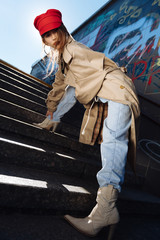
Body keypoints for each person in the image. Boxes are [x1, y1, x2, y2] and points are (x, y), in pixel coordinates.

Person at [33, 9, 140, 239]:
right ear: (43, 40)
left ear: (62, 30)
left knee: (112, 143)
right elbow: (60, 84)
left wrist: (53, 117)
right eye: (47, 36)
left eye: (55, 32)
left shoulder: (73, 51)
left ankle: (105, 210)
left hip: (116, 90)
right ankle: (106, 210)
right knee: (111, 142)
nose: (53, 39)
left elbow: (70, 91)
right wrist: (51, 111)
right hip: (115, 90)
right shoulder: (65, 58)